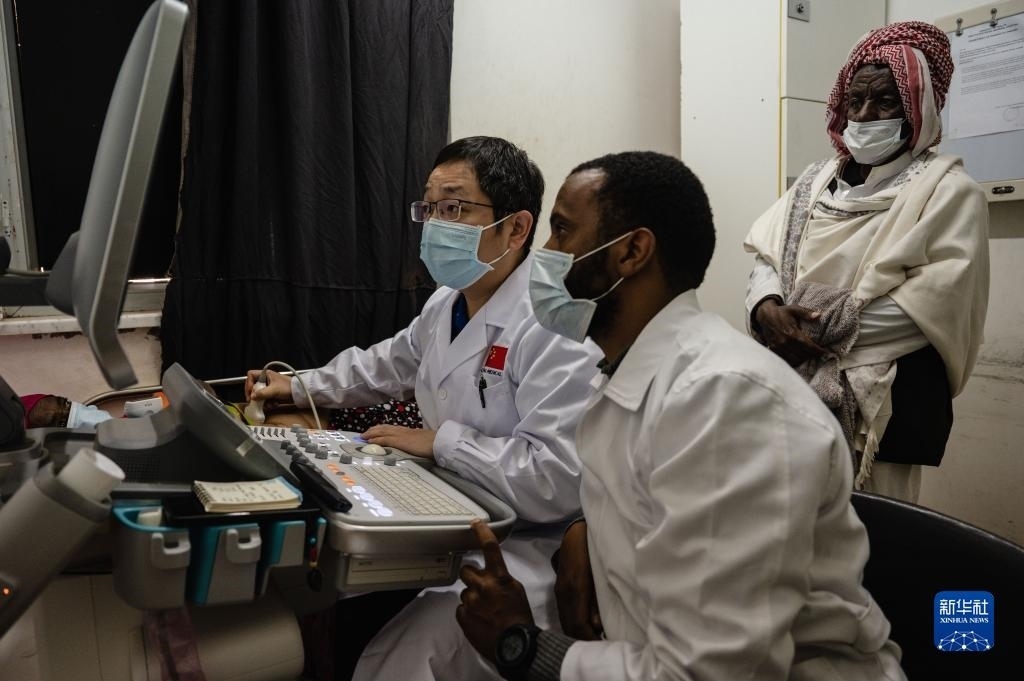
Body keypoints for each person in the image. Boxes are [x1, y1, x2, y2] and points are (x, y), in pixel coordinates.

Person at [454, 151, 907, 681]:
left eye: (562, 231)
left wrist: (522, 646)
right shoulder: (629, 376)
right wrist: (584, 530)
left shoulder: (728, 401)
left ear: (631, 252)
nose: (546, 254)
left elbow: (706, 672)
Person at [245, 136, 602, 680]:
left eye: (454, 207)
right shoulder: (446, 302)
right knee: (315, 582)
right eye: (429, 208)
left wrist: (442, 442)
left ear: (515, 228)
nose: (435, 225)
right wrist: (297, 388)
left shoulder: (554, 321)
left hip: (523, 543)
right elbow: (386, 365)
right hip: (446, 511)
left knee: (409, 659)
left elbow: (555, 479)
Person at [743, 21, 989, 502]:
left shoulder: (949, 192)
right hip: (791, 381)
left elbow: (930, 306)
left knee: (877, 526)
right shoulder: (814, 182)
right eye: (854, 102)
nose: (864, 115)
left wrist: (807, 334)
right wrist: (766, 309)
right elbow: (768, 257)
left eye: (885, 101)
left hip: (885, 399)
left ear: (917, 107)